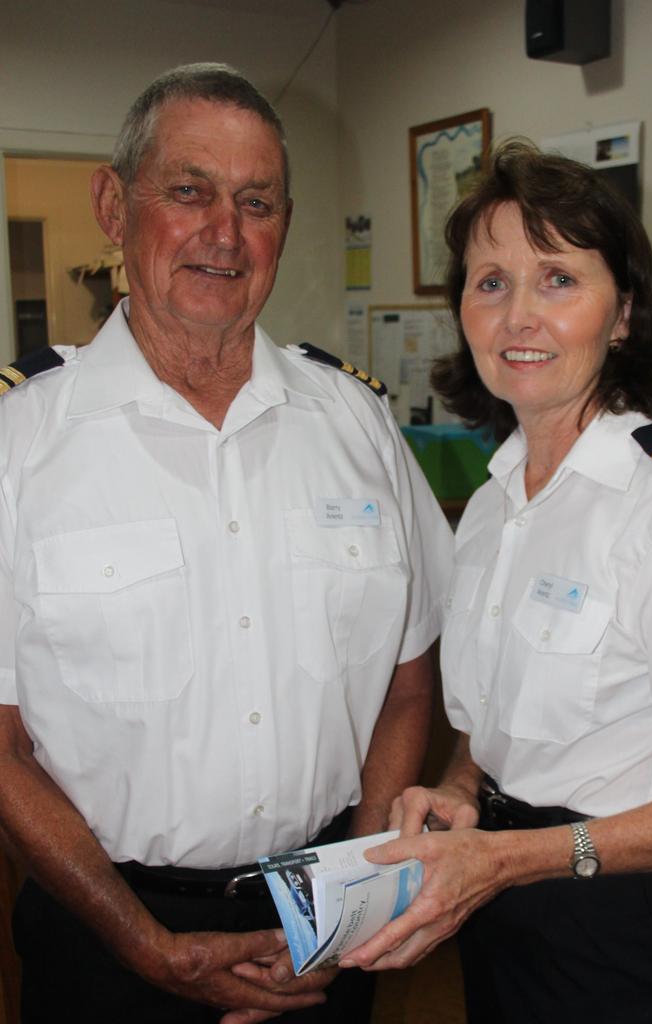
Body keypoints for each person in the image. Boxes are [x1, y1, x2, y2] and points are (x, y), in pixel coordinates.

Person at [0, 63, 452, 1024]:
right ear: (113, 205)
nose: (224, 232)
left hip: (322, 918)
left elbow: (411, 680)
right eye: (189, 191)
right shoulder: (19, 442)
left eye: (256, 203)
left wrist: (347, 902)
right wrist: (145, 945)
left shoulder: (356, 424)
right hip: (105, 939)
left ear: (284, 224)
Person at [342, 139, 652, 1022]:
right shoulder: (496, 503)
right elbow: (493, 732)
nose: (518, 316)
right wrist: (461, 791)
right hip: (498, 896)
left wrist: (514, 859)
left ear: (622, 315)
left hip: (621, 925)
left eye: (559, 280)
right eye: (491, 281)